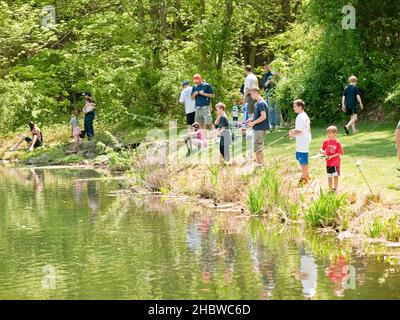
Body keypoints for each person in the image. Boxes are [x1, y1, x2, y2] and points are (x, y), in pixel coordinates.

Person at [289, 99, 312, 186]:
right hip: (303, 140)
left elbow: (299, 131)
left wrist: (292, 134)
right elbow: (300, 129)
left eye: (295, 106)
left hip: (303, 141)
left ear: (300, 107)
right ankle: (306, 174)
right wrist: (293, 130)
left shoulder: (300, 117)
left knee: (303, 160)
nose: (293, 108)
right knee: (301, 158)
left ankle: (304, 177)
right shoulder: (303, 115)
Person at [246, 87, 269, 167]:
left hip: (260, 128)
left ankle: (261, 165)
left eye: (251, 94)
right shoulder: (257, 103)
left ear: (256, 93)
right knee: (257, 147)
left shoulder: (261, 103)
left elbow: (263, 116)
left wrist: (253, 123)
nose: (251, 96)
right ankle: (261, 164)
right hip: (257, 127)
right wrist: (252, 119)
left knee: (257, 147)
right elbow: (259, 116)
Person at [320, 126, 343, 192]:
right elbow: (322, 149)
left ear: (335, 133)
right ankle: (330, 189)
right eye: (328, 133)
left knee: (335, 176)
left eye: (330, 133)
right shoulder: (326, 142)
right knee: (329, 176)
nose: (328, 135)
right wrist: (322, 151)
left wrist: (331, 156)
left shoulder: (337, 143)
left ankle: (335, 189)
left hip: (335, 163)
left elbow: (339, 153)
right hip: (328, 163)